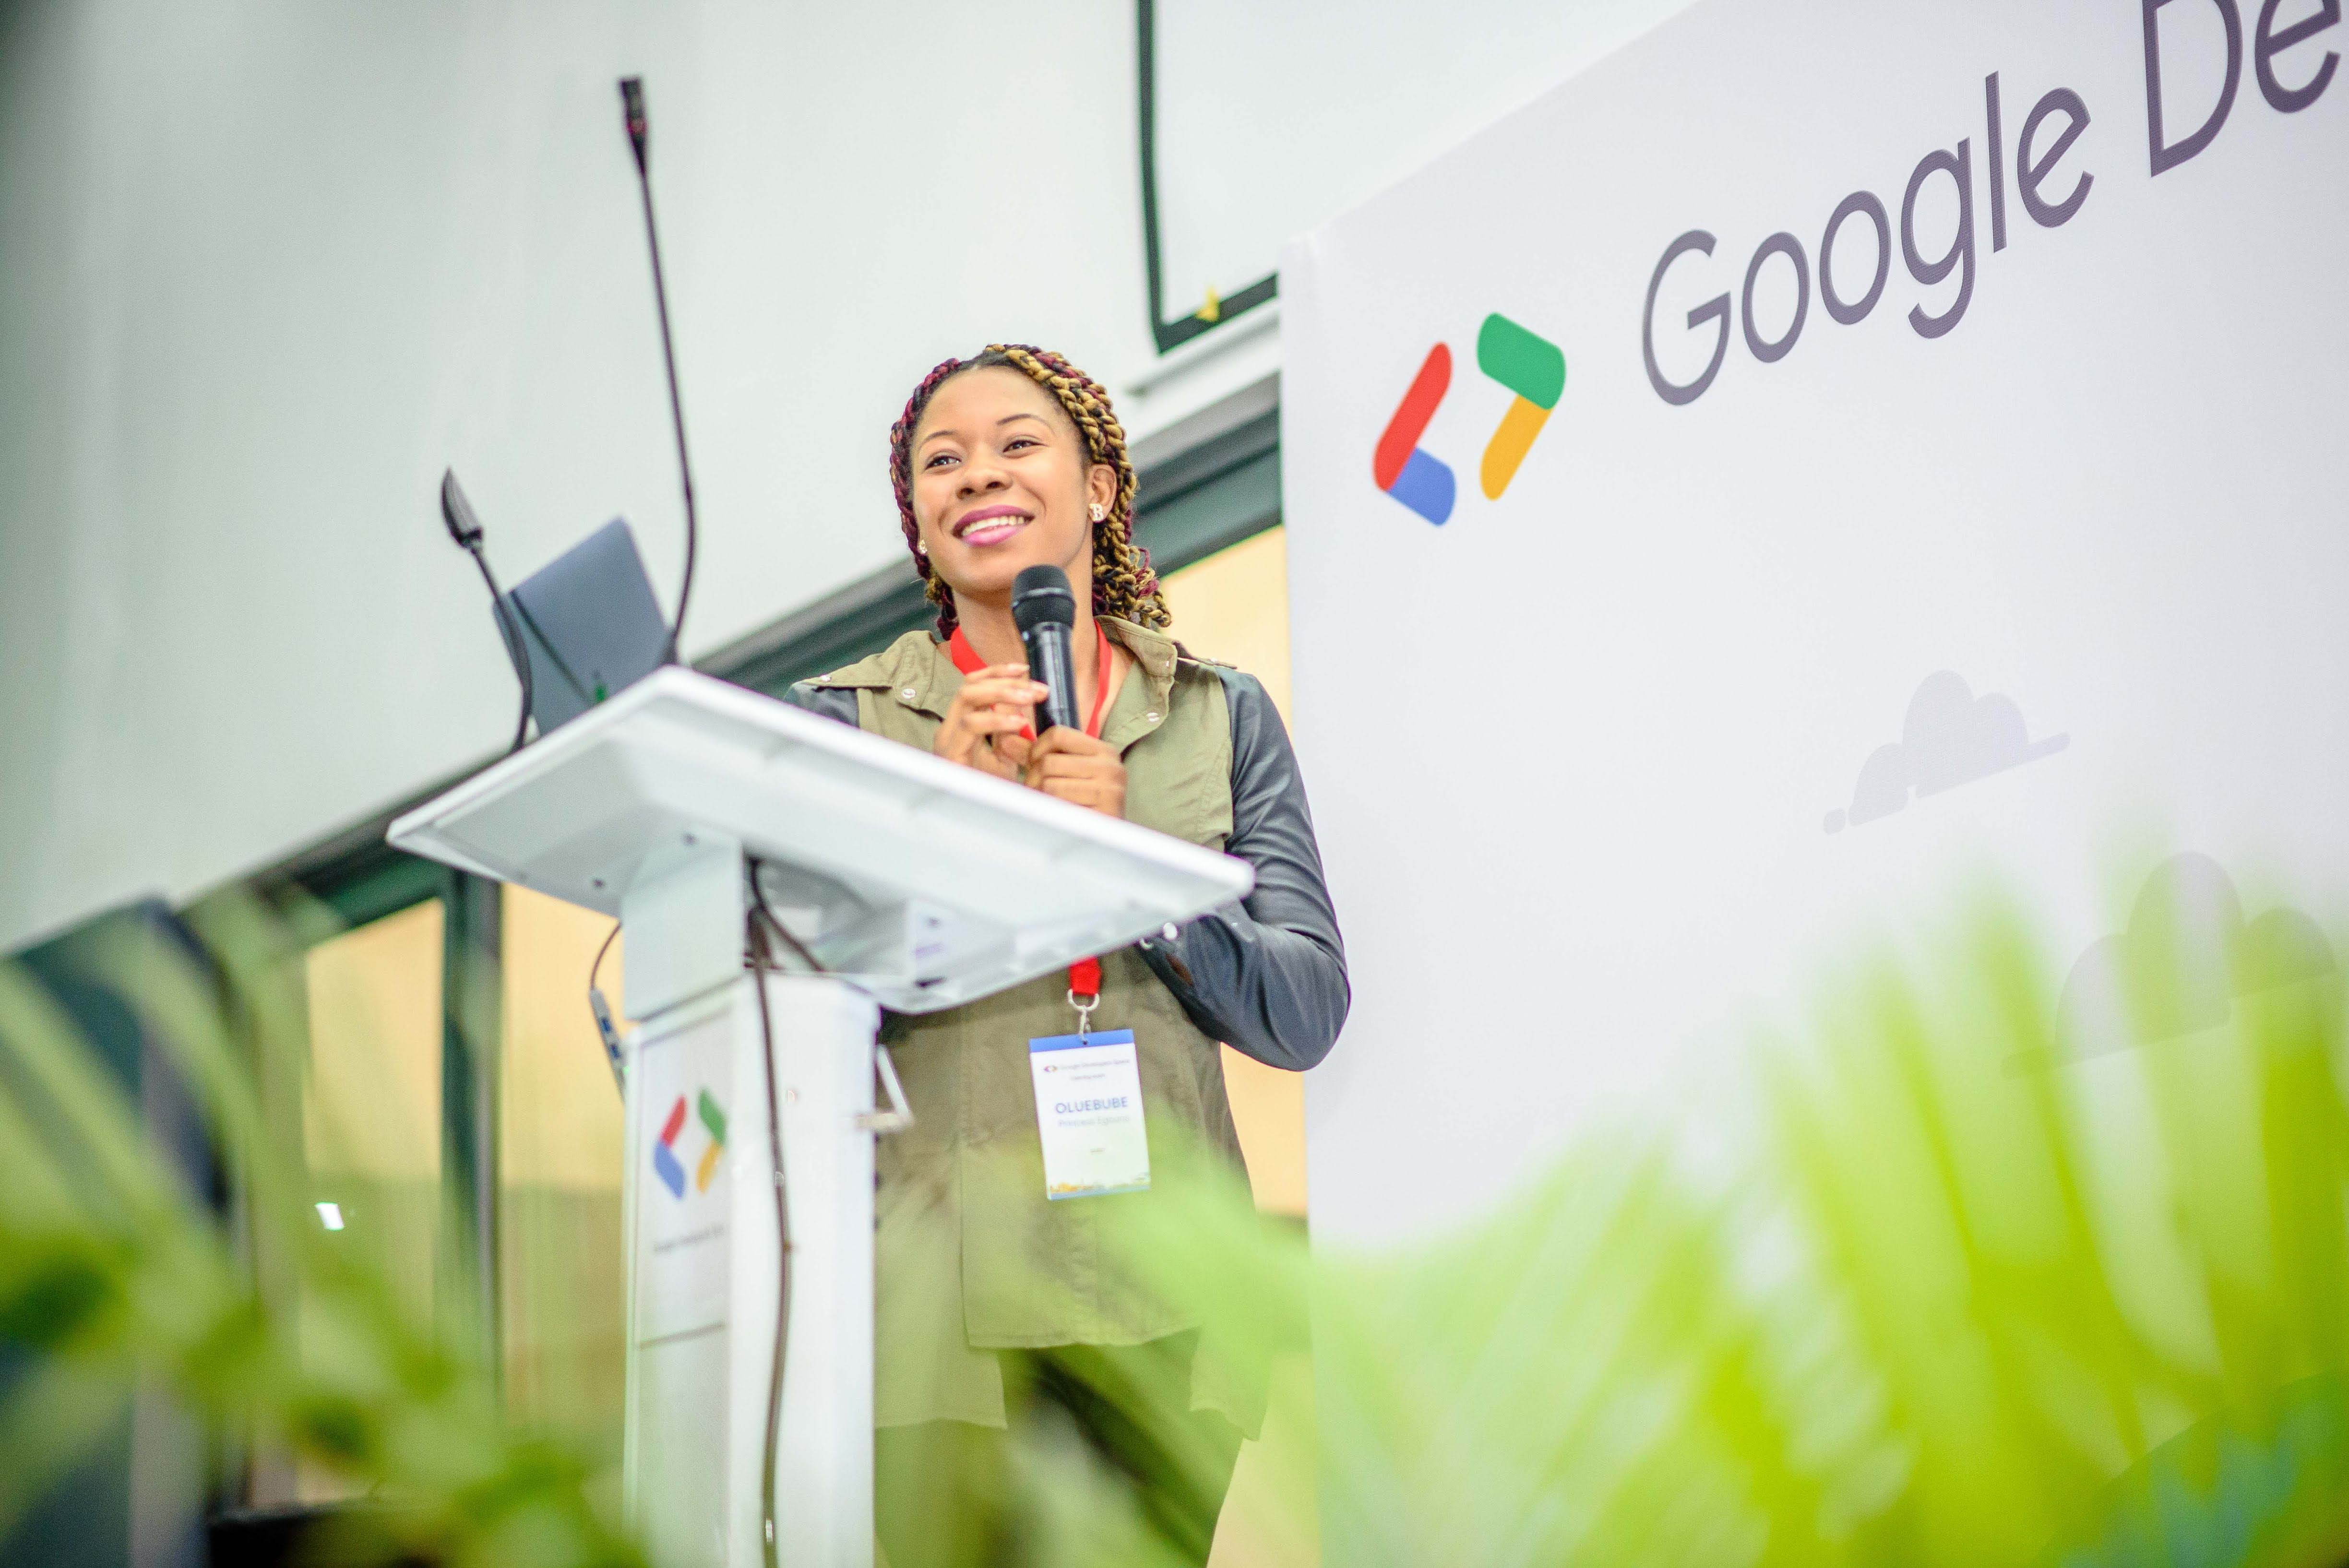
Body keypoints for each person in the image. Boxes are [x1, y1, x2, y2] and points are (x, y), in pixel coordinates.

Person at [781, 344, 1347, 1566]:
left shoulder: (1219, 715)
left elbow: (1303, 1007)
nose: (978, 472)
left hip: (1173, 1308)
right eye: (942, 460)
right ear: (922, 525)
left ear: (1099, 487)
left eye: (1017, 442)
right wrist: (935, 834)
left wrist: (1135, 871)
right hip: (938, 1327)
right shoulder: (839, 727)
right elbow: (787, 1025)